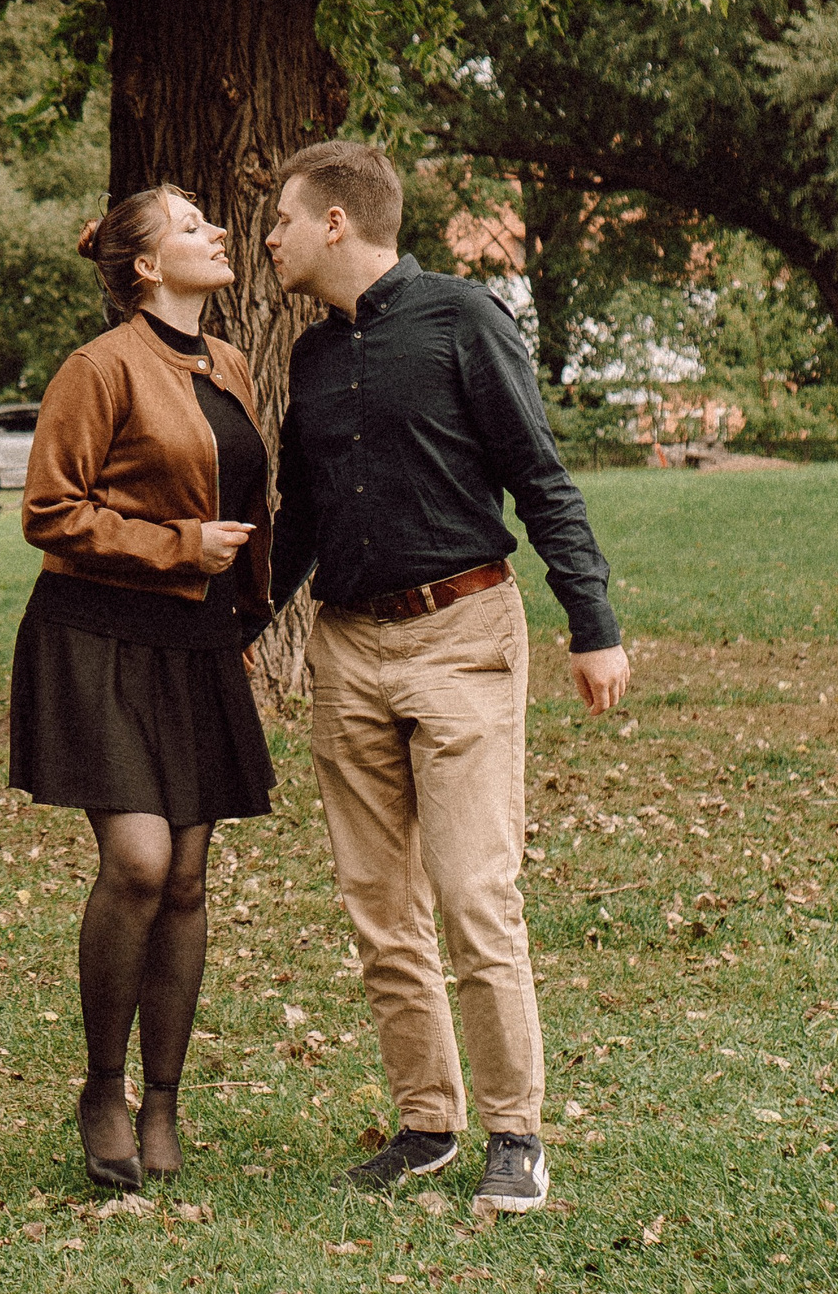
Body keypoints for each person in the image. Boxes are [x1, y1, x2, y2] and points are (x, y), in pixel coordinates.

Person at [262, 140, 631, 1214]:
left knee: (473, 892)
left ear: (336, 221)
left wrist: (593, 625)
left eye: (283, 219)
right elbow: (302, 520)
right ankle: (427, 1123)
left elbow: (541, 477)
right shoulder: (309, 358)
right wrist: (238, 622)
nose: (270, 238)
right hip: (346, 648)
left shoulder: (464, 318)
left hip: (462, 632)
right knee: (380, 904)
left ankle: (516, 1132)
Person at [11, 182, 277, 1191]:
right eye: (191, 226)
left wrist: (241, 616)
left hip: (197, 644)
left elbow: (245, 497)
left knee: (190, 879)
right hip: (100, 639)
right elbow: (50, 511)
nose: (218, 231)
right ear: (147, 266)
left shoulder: (230, 364)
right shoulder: (98, 368)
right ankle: (102, 1088)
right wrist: (178, 546)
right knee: (138, 861)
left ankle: (163, 1099)